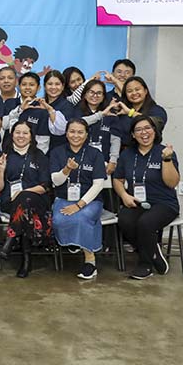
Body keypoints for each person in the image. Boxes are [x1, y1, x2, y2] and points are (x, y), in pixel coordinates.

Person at [113, 116, 180, 280]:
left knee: (145, 223)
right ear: (133, 135)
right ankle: (154, 251)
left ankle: (145, 264)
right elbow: (118, 179)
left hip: (164, 203)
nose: (144, 133)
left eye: (147, 128)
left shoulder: (165, 152)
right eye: (138, 130)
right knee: (124, 220)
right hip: (137, 202)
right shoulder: (127, 154)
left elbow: (172, 183)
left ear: (154, 131)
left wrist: (167, 160)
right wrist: (123, 195)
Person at [49, 118, 106, 280]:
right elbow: (55, 181)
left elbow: (98, 184)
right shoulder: (57, 152)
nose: (76, 135)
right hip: (63, 197)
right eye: (72, 131)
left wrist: (79, 205)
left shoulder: (95, 154)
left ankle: (90, 261)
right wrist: (66, 169)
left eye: (80, 132)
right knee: (59, 220)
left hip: (90, 200)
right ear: (66, 133)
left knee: (81, 218)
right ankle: (75, 242)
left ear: (86, 134)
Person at [0, 121, 52, 278]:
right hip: (9, 203)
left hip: (37, 200)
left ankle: (11, 239)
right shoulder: (4, 155)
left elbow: (45, 186)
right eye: (17, 132)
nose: (21, 136)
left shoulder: (40, 156)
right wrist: (1, 169)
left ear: (31, 136)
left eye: (25, 133)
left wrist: (23, 193)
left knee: (26, 201)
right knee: (25, 211)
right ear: (12, 134)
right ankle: (26, 260)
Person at [2, 72, 66, 154]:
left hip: (33, 155)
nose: (27, 88)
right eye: (24, 84)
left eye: (31, 85)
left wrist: (37, 156)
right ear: (19, 86)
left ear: (38, 88)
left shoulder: (42, 106)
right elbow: (4, 125)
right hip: (9, 151)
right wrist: (20, 109)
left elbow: (43, 137)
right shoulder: (10, 103)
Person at [71, 79, 120, 175]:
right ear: (85, 94)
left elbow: (115, 139)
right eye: (91, 92)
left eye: (99, 93)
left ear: (103, 97)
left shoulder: (111, 114)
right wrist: (101, 114)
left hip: (104, 162)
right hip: (79, 161)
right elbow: (78, 124)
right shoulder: (76, 111)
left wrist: (113, 160)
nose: (95, 96)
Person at [116, 77, 167, 150]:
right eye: (129, 91)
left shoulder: (157, 110)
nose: (134, 93)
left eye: (137, 89)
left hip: (149, 153)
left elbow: (156, 123)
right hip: (124, 155)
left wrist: (130, 112)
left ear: (145, 91)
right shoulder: (121, 111)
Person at [42, 70, 76, 152]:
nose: (53, 87)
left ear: (63, 86)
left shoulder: (67, 106)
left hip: (59, 152)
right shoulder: (38, 104)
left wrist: (51, 111)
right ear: (44, 86)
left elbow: (63, 130)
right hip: (37, 152)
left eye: (57, 84)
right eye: (50, 84)